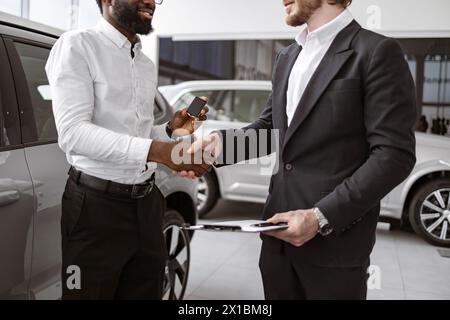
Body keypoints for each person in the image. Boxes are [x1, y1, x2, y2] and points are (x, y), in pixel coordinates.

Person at [190, 0, 416, 299]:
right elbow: (273, 132)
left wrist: (319, 217)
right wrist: (219, 146)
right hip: (276, 238)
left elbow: (393, 155)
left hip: (335, 245)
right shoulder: (287, 55)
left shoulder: (376, 51)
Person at [45, 0, 209, 300]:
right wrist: (157, 150)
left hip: (146, 205)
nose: (150, 2)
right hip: (94, 209)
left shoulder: (145, 65)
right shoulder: (77, 46)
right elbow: (72, 133)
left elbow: (140, 138)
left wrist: (171, 129)